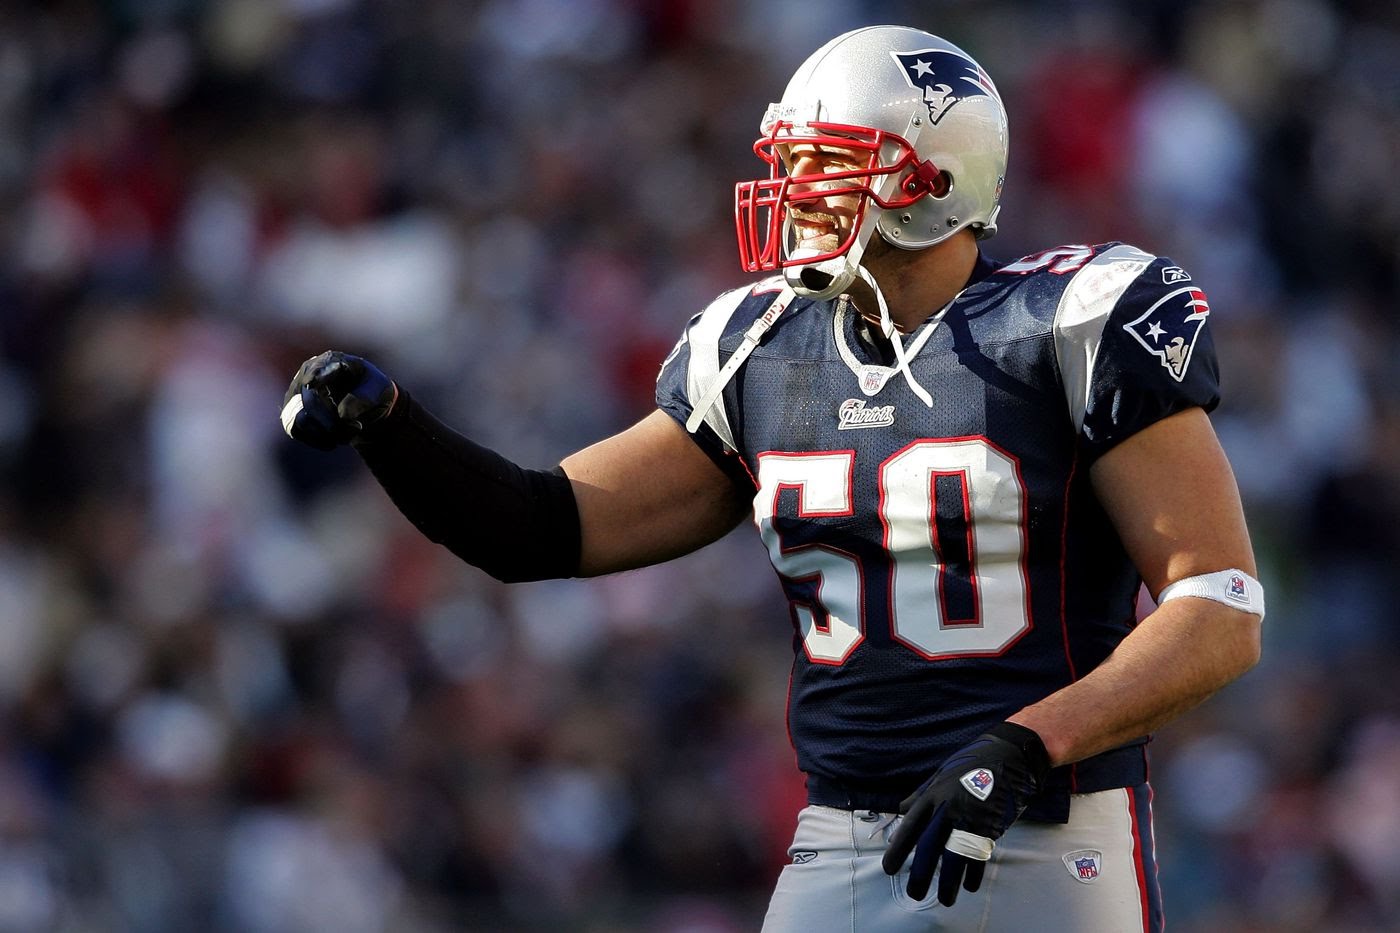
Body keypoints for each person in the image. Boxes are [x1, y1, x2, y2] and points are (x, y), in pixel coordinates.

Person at [280, 24, 1262, 932]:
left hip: (1049, 828)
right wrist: (392, 427)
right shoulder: (758, 348)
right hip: (840, 835)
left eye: (824, 163)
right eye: (786, 163)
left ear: (929, 178)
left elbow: (1217, 603)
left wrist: (1023, 745)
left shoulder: (1072, 322)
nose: (792, 189)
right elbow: (543, 528)